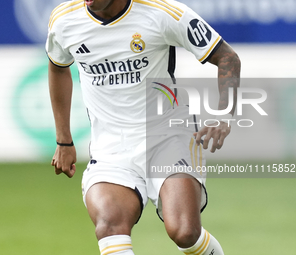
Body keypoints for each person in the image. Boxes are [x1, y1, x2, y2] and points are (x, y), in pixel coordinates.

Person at [46, 0, 241, 254]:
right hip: (111, 148)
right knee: (109, 225)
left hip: (169, 137)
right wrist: (64, 140)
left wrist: (226, 115)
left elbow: (227, 57)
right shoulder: (64, 20)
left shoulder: (163, 12)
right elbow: (58, 67)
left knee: (184, 231)